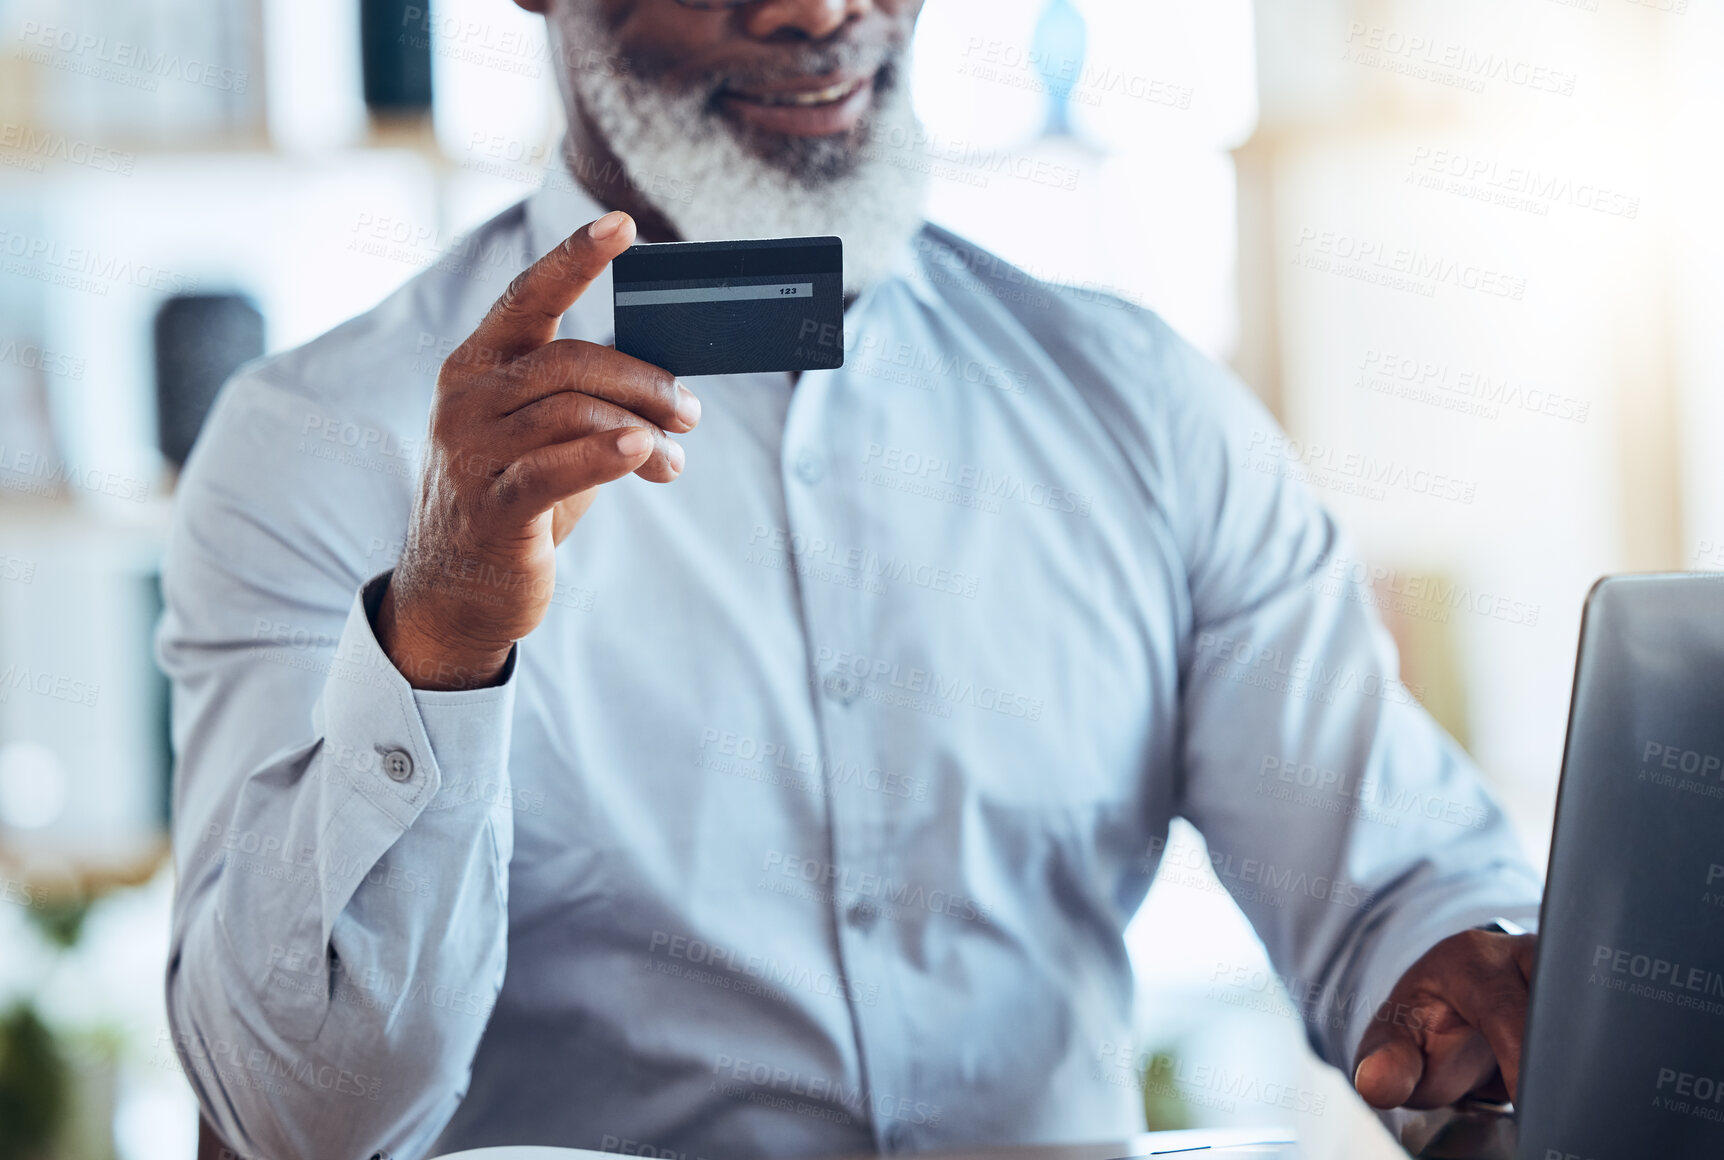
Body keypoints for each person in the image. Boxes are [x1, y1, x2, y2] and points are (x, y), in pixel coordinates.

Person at [159, 1, 1543, 1158]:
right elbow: (294, 1121)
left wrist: (1458, 993)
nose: (821, 13)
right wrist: (439, 643)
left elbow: (1391, 886)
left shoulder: (1143, 410)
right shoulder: (312, 453)